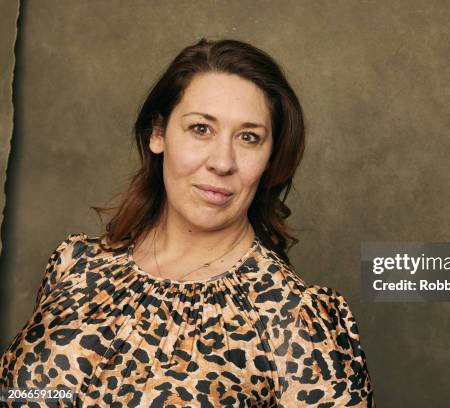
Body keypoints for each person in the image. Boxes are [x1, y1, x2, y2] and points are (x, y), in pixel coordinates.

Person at [0, 38, 375, 407]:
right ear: (159, 134)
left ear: (270, 159)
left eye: (248, 138)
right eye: (201, 128)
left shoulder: (297, 324)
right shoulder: (76, 266)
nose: (222, 161)